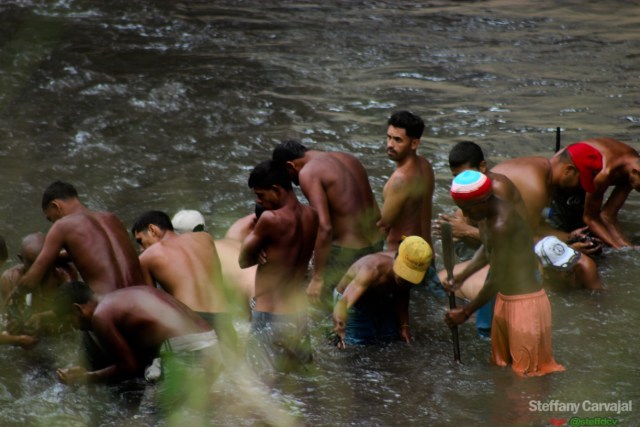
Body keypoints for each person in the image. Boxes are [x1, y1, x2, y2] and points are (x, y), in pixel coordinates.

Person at [444, 170, 565, 377]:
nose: (465, 216)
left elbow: (496, 279)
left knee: (526, 379)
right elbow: (487, 248)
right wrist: (461, 276)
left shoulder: (502, 224)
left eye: (467, 210)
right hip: (505, 300)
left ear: (482, 200)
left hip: (525, 305)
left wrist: (465, 312)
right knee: (502, 369)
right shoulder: (485, 214)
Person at [52, 282, 218, 412]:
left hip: (188, 350)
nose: (76, 328)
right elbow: (137, 361)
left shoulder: (100, 316)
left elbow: (128, 367)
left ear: (78, 308)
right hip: (210, 342)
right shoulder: (118, 299)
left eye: (70, 321)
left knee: (156, 415)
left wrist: (87, 377)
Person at [272, 140, 383, 309]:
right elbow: (376, 212)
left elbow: (324, 227)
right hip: (375, 246)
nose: (295, 184)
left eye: (290, 178)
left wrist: (318, 277)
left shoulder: (308, 172)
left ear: (290, 166)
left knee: (323, 309)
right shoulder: (349, 158)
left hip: (348, 254)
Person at [239, 160, 318, 374]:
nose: (259, 201)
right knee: (300, 383)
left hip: (270, 316)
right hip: (298, 315)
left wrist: (257, 251)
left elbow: (243, 260)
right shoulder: (312, 215)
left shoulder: (270, 219)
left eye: (261, 195)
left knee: (260, 388)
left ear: (276, 189)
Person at [132, 210, 237, 350]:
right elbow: (218, 279)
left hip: (193, 324)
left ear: (152, 229)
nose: (141, 249)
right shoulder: (205, 238)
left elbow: (152, 308)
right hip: (224, 319)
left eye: (140, 241)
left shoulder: (147, 257)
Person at [18, 181, 144, 296]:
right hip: (144, 299)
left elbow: (32, 281)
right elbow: (101, 253)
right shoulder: (111, 218)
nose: (53, 223)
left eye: (50, 218)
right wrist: (56, 257)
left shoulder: (63, 225)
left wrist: (13, 296)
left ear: (55, 205)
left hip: (110, 305)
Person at [490, 143, 603, 252]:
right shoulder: (535, 188)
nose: (578, 189)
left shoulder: (544, 168)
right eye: (579, 183)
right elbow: (522, 240)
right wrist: (569, 250)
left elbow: (535, 226)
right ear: (568, 170)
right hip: (478, 230)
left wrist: (569, 237)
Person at [378, 111, 440, 290]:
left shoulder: (401, 178)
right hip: (425, 255)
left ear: (414, 143)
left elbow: (383, 227)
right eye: (388, 137)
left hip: (401, 260)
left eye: (398, 140)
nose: (390, 144)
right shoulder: (425, 166)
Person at [333, 236, 432, 347]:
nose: (406, 279)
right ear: (396, 258)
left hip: (380, 296)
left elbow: (402, 293)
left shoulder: (414, 264)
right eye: (404, 273)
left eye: (411, 277)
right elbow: (343, 303)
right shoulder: (372, 270)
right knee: (359, 345)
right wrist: (340, 327)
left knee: (390, 340)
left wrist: (404, 326)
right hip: (352, 300)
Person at [1, 232, 77, 336]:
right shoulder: (10, 278)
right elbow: (9, 315)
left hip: (56, 335)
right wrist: (16, 323)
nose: (40, 271)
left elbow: (70, 312)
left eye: (46, 264)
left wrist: (41, 317)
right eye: (34, 266)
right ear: (21, 260)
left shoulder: (64, 275)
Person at [577, 138, 640, 248]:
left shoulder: (632, 167)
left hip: (593, 176)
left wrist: (628, 248)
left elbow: (608, 215)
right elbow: (589, 218)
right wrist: (617, 247)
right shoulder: (606, 173)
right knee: (581, 231)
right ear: (635, 173)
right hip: (575, 175)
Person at [534, 236, 604, 291]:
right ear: (546, 273)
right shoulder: (537, 283)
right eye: (562, 267)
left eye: (571, 261)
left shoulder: (585, 268)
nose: (570, 269)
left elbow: (599, 299)